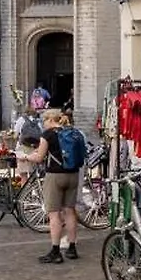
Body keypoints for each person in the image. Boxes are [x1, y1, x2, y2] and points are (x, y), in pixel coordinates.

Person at [27, 109, 87, 263]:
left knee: (53, 214)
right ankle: (72, 248)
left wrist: (26, 156)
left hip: (55, 176)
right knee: (70, 211)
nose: (43, 124)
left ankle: (55, 250)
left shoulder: (48, 135)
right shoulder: (72, 132)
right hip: (73, 174)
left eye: (44, 121)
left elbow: (39, 157)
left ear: (49, 120)